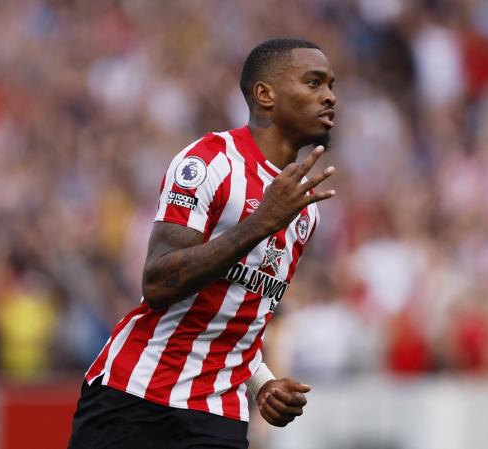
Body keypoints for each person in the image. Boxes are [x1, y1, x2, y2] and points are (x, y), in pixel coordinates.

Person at [67, 37, 337, 449]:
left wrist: (262, 381)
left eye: (330, 86)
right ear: (265, 94)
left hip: (217, 412)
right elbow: (157, 282)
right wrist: (260, 222)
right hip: (137, 395)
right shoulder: (210, 162)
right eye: (314, 83)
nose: (330, 97)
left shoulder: (304, 211)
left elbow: (240, 313)